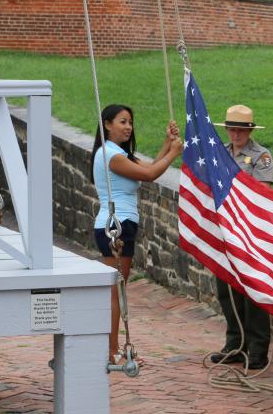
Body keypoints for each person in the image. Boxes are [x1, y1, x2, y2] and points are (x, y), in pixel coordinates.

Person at [91, 104, 183, 364]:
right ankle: (111, 350)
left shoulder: (119, 153)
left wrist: (167, 143)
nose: (128, 127)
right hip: (115, 226)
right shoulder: (112, 155)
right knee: (115, 291)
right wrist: (174, 153)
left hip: (121, 224)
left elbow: (150, 167)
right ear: (107, 125)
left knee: (117, 289)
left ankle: (113, 348)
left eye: (130, 122)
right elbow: (152, 174)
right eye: (122, 122)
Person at [210, 104, 273, 370]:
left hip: (249, 230)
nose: (235, 134)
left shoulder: (261, 156)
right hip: (224, 229)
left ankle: (258, 348)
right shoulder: (219, 153)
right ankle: (235, 344)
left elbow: (263, 191)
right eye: (231, 129)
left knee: (253, 293)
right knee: (226, 290)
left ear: (249, 130)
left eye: (240, 130)